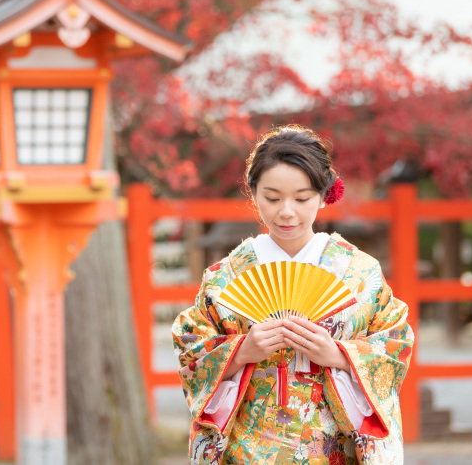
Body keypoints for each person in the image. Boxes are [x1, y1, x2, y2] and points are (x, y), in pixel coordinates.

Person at [172, 125, 414, 465]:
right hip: (246, 447)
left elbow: (395, 344)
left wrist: (340, 355)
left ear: (323, 194)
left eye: (302, 198)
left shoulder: (360, 274)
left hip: (334, 447)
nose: (287, 211)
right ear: (253, 192)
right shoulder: (225, 278)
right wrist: (242, 350)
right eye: (272, 198)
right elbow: (190, 350)